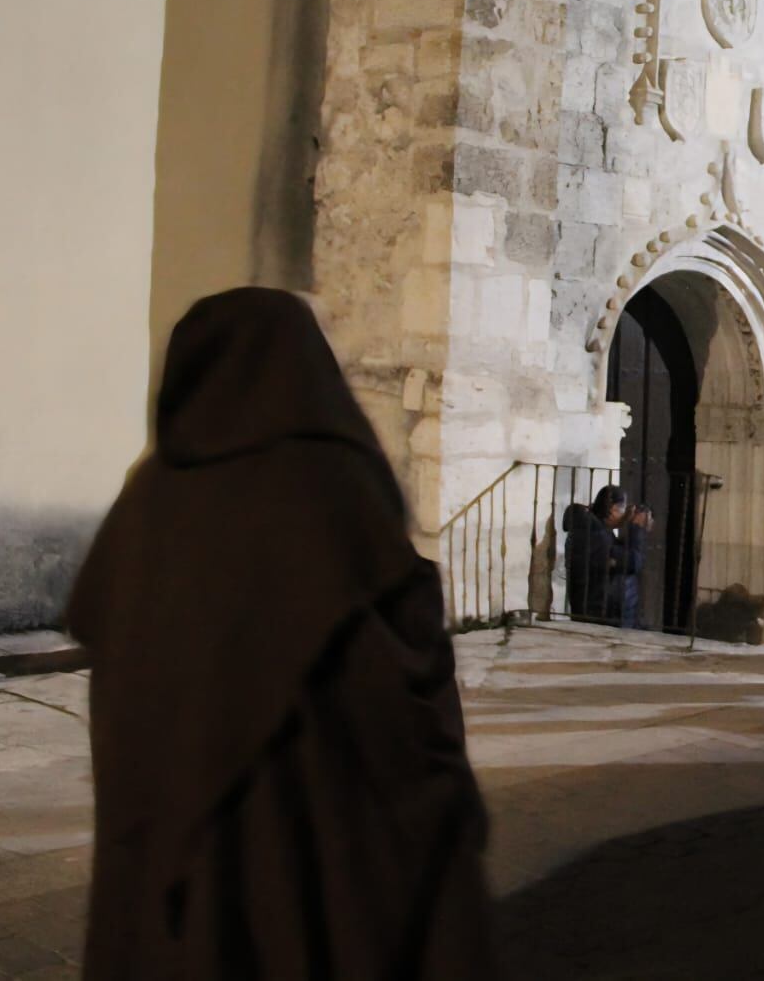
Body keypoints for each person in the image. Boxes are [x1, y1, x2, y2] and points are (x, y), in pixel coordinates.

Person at [67, 289, 495, 979]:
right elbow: (396, 691)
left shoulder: (147, 499)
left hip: (173, 831)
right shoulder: (329, 484)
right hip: (306, 840)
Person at [562, 484, 648, 626]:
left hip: (602, 614)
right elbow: (632, 562)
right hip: (599, 616)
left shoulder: (597, 530)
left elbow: (618, 555)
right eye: (623, 509)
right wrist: (636, 529)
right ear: (613, 510)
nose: (626, 514)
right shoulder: (593, 533)